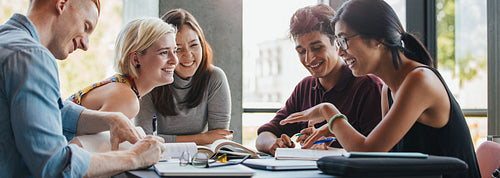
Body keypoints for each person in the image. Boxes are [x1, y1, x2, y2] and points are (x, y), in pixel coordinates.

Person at [280, 0, 480, 177]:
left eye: (343, 40)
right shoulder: (388, 89)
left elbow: (367, 153)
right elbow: (381, 155)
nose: (340, 51)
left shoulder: (419, 80)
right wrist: (334, 130)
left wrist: (328, 112)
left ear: (377, 39)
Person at [0, 0, 165, 177]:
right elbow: (55, 166)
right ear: (62, 4)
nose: (86, 44)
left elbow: (44, 112)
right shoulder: (32, 57)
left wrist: (110, 119)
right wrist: (134, 157)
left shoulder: (7, 41)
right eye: (86, 27)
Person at [255, 4, 383, 156]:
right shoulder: (305, 87)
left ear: (337, 43)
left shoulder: (368, 86)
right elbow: (265, 134)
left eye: (317, 48)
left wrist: (330, 144)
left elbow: (375, 152)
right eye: (301, 51)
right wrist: (274, 144)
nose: (309, 59)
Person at [135, 8, 232, 145]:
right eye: (178, 49)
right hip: (160, 159)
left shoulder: (214, 78)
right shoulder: (150, 79)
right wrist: (203, 138)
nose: (188, 55)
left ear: (202, 44)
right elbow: (143, 139)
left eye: (194, 45)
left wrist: (167, 139)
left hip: (201, 160)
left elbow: (219, 139)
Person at [67, 17, 178, 120]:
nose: (175, 60)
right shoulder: (126, 99)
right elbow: (78, 140)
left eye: (175, 51)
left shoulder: (123, 87)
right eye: (164, 52)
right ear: (136, 59)